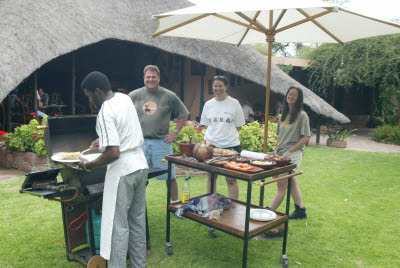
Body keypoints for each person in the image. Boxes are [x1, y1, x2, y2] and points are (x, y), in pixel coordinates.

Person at [78, 71, 148, 267]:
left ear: (98, 92)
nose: (90, 100)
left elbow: (113, 153)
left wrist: (88, 164)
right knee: (137, 222)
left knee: (118, 227)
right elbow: (124, 128)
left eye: (90, 95)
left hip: (123, 171)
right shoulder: (124, 98)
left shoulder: (104, 111)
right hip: (140, 166)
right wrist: (104, 141)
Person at [129, 65, 189, 203]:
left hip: (162, 142)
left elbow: (184, 114)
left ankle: (175, 203)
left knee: (170, 175)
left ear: (159, 78)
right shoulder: (134, 95)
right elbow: (123, 114)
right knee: (137, 175)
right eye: (148, 77)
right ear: (144, 78)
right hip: (140, 143)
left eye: (153, 77)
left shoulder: (169, 96)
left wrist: (175, 132)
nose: (151, 79)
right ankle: (137, 204)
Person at [268, 87, 311, 219]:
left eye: (294, 95)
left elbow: (306, 137)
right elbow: (279, 136)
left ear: (299, 99)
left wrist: (291, 150)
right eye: (289, 94)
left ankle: (268, 211)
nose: (291, 96)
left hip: (291, 155)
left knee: (281, 185)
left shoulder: (302, 115)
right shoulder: (283, 115)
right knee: (291, 182)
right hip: (280, 153)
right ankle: (301, 210)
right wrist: (276, 151)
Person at [200, 75, 245, 199]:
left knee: (231, 179)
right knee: (211, 177)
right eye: (215, 86)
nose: (217, 88)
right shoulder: (208, 104)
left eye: (220, 86)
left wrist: (226, 136)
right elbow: (206, 125)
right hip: (211, 146)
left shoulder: (234, 103)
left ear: (226, 87)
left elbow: (239, 126)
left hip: (231, 147)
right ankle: (210, 203)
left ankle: (234, 206)